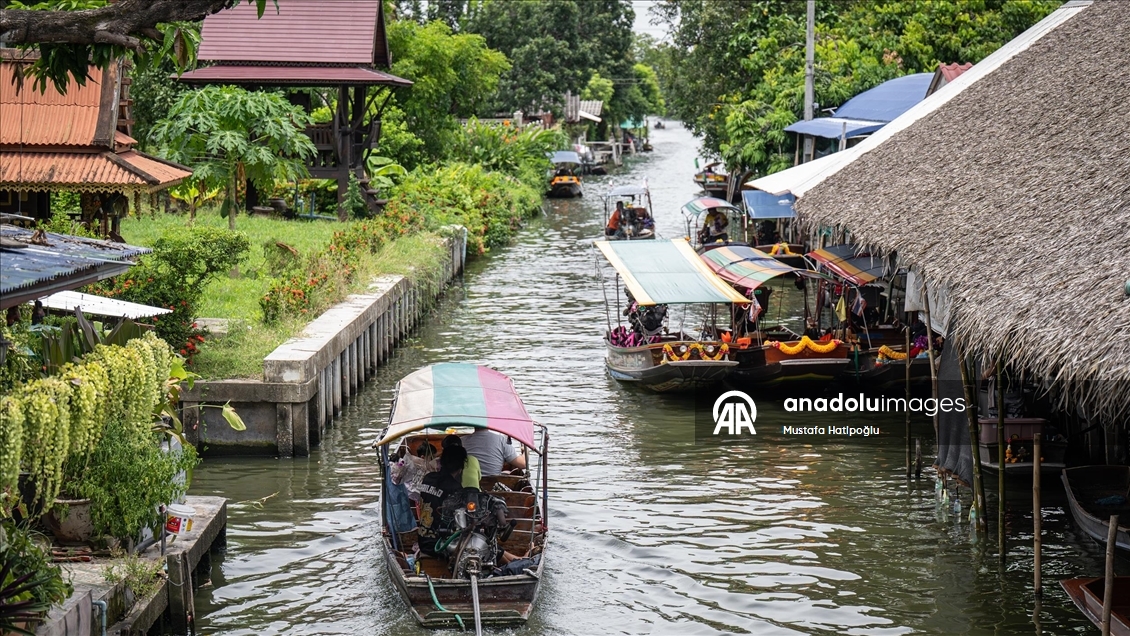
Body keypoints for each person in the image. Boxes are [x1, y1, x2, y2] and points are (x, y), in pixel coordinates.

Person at [417, 446, 468, 556]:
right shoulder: (455, 488)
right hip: (440, 546)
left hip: (423, 540)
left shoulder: (428, 478)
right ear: (461, 466)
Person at [461, 428, 525, 477]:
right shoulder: (501, 440)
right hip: (493, 483)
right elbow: (523, 464)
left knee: (506, 472)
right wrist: (525, 452)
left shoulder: (462, 441)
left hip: (469, 482)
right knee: (507, 472)